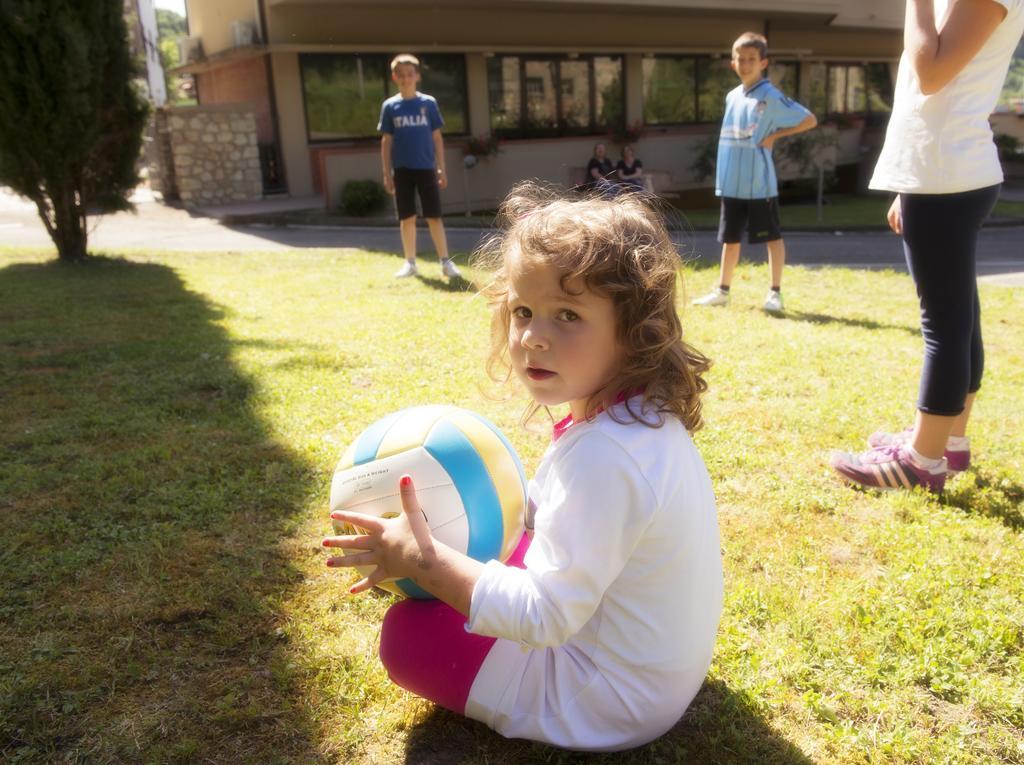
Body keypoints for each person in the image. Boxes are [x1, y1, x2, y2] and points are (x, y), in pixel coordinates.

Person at [323, 183, 723, 752]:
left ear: (634, 332)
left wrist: (425, 562)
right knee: (491, 544)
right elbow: (566, 517)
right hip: (653, 675)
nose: (534, 336)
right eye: (523, 311)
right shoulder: (637, 420)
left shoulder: (605, 457)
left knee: (408, 636)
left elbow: (546, 616)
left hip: (607, 703)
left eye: (568, 314)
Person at [831, 0, 1024, 492]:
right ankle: (948, 442)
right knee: (960, 316)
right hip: (938, 170)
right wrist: (906, 183)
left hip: (946, 173)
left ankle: (922, 462)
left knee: (946, 323)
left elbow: (932, 71)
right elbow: (932, 93)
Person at [692, 31, 817, 313]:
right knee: (730, 238)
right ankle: (722, 291)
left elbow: (809, 119)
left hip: (759, 185)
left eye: (752, 59)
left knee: (772, 237)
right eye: (741, 59)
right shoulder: (732, 97)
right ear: (733, 63)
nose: (746, 63)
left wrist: (775, 136)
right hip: (731, 184)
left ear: (763, 63)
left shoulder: (771, 95)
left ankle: (775, 293)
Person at [378, 53, 461, 280]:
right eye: (401, 75)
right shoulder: (390, 107)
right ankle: (410, 263)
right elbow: (386, 142)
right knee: (407, 218)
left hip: (426, 168)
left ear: (417, 76)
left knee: (434, 216)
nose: (406, 79)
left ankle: (446, 262)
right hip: (402, 170)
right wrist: (387, 174)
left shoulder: (428, 104)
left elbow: (437, 138)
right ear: (395, 77)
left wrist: (441, 168)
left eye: (410, 74)